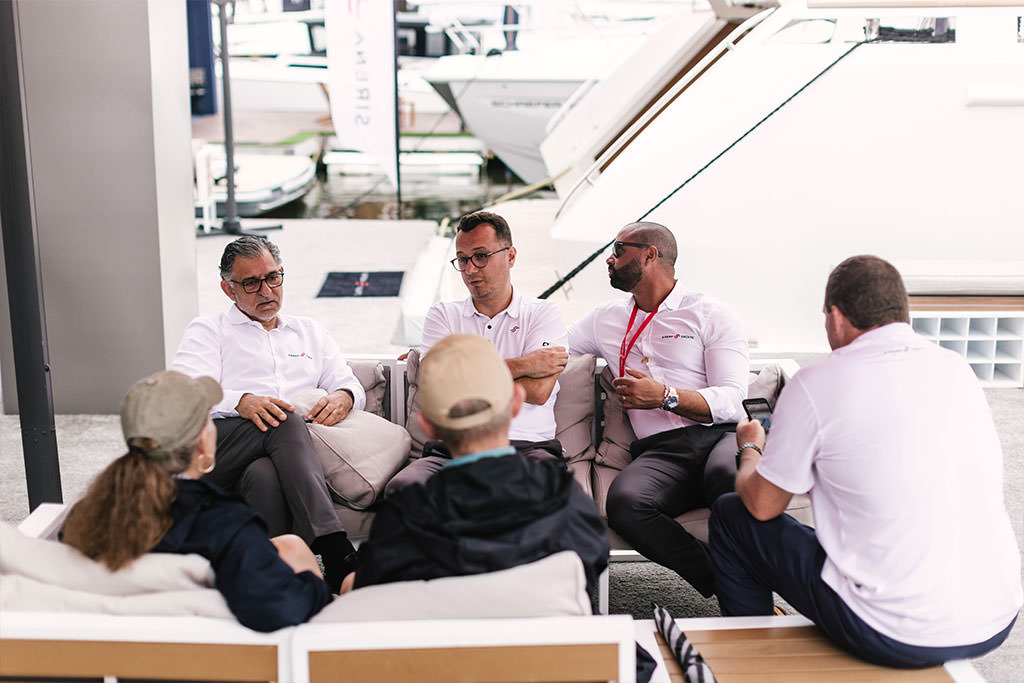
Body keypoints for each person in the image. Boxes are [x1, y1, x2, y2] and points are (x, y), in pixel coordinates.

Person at [709, 255, 1022, 667]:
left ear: (836, 317)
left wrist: (750, 448)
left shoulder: (817, 383)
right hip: (996, 615)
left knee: (732, 514)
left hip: (891, 630)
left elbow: (763, 505)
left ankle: (753, 661)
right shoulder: (956, 369)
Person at [62, 370, 332, 632]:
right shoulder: (225, 523)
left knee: (288, 545)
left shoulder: (88, 515)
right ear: (204, 440)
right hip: (208, 649)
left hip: (124, 644)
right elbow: (280, 608)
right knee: (295, 551)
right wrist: (315, 585)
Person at [342, 334, 609, 594]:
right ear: (516, 403)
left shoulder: (407, 513)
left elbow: (369, 585)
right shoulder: (564, 498)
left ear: (428, 426)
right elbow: (591, 563)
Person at [171, 235, 365, 592]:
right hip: (216, 450)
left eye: (273, 277)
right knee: (284, 419)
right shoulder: (209, 330)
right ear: (228, 289)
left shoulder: (309, 332)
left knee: (264, 475)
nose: (266, 290)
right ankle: (336, 552)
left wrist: (344, 396)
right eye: (251, 283)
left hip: (281, 457)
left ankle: (279, 580)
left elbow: (346, 381)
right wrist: (240, 401)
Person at [568, 221, 748, 597]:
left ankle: (760, 583)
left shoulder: (710, 313)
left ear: (650, 255)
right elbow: (553, 345)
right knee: (625, 504)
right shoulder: (604, 318)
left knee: (728, 478)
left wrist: (665, 396)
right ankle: (726, 583)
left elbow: (733, 400)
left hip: (716, 436)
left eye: (618, 250)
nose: (609, 259)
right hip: (661, 451)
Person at [388, 210, 569, 491]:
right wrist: (526, 365)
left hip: (527, 447)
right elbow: (438, 387)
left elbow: (538, 391)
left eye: (481, 256)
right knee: (404, 489)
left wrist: (465, 376)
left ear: (510, 256)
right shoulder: (443, 315)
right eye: (462, 259)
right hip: (452, 449)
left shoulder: (543, 313)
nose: (470, 269)